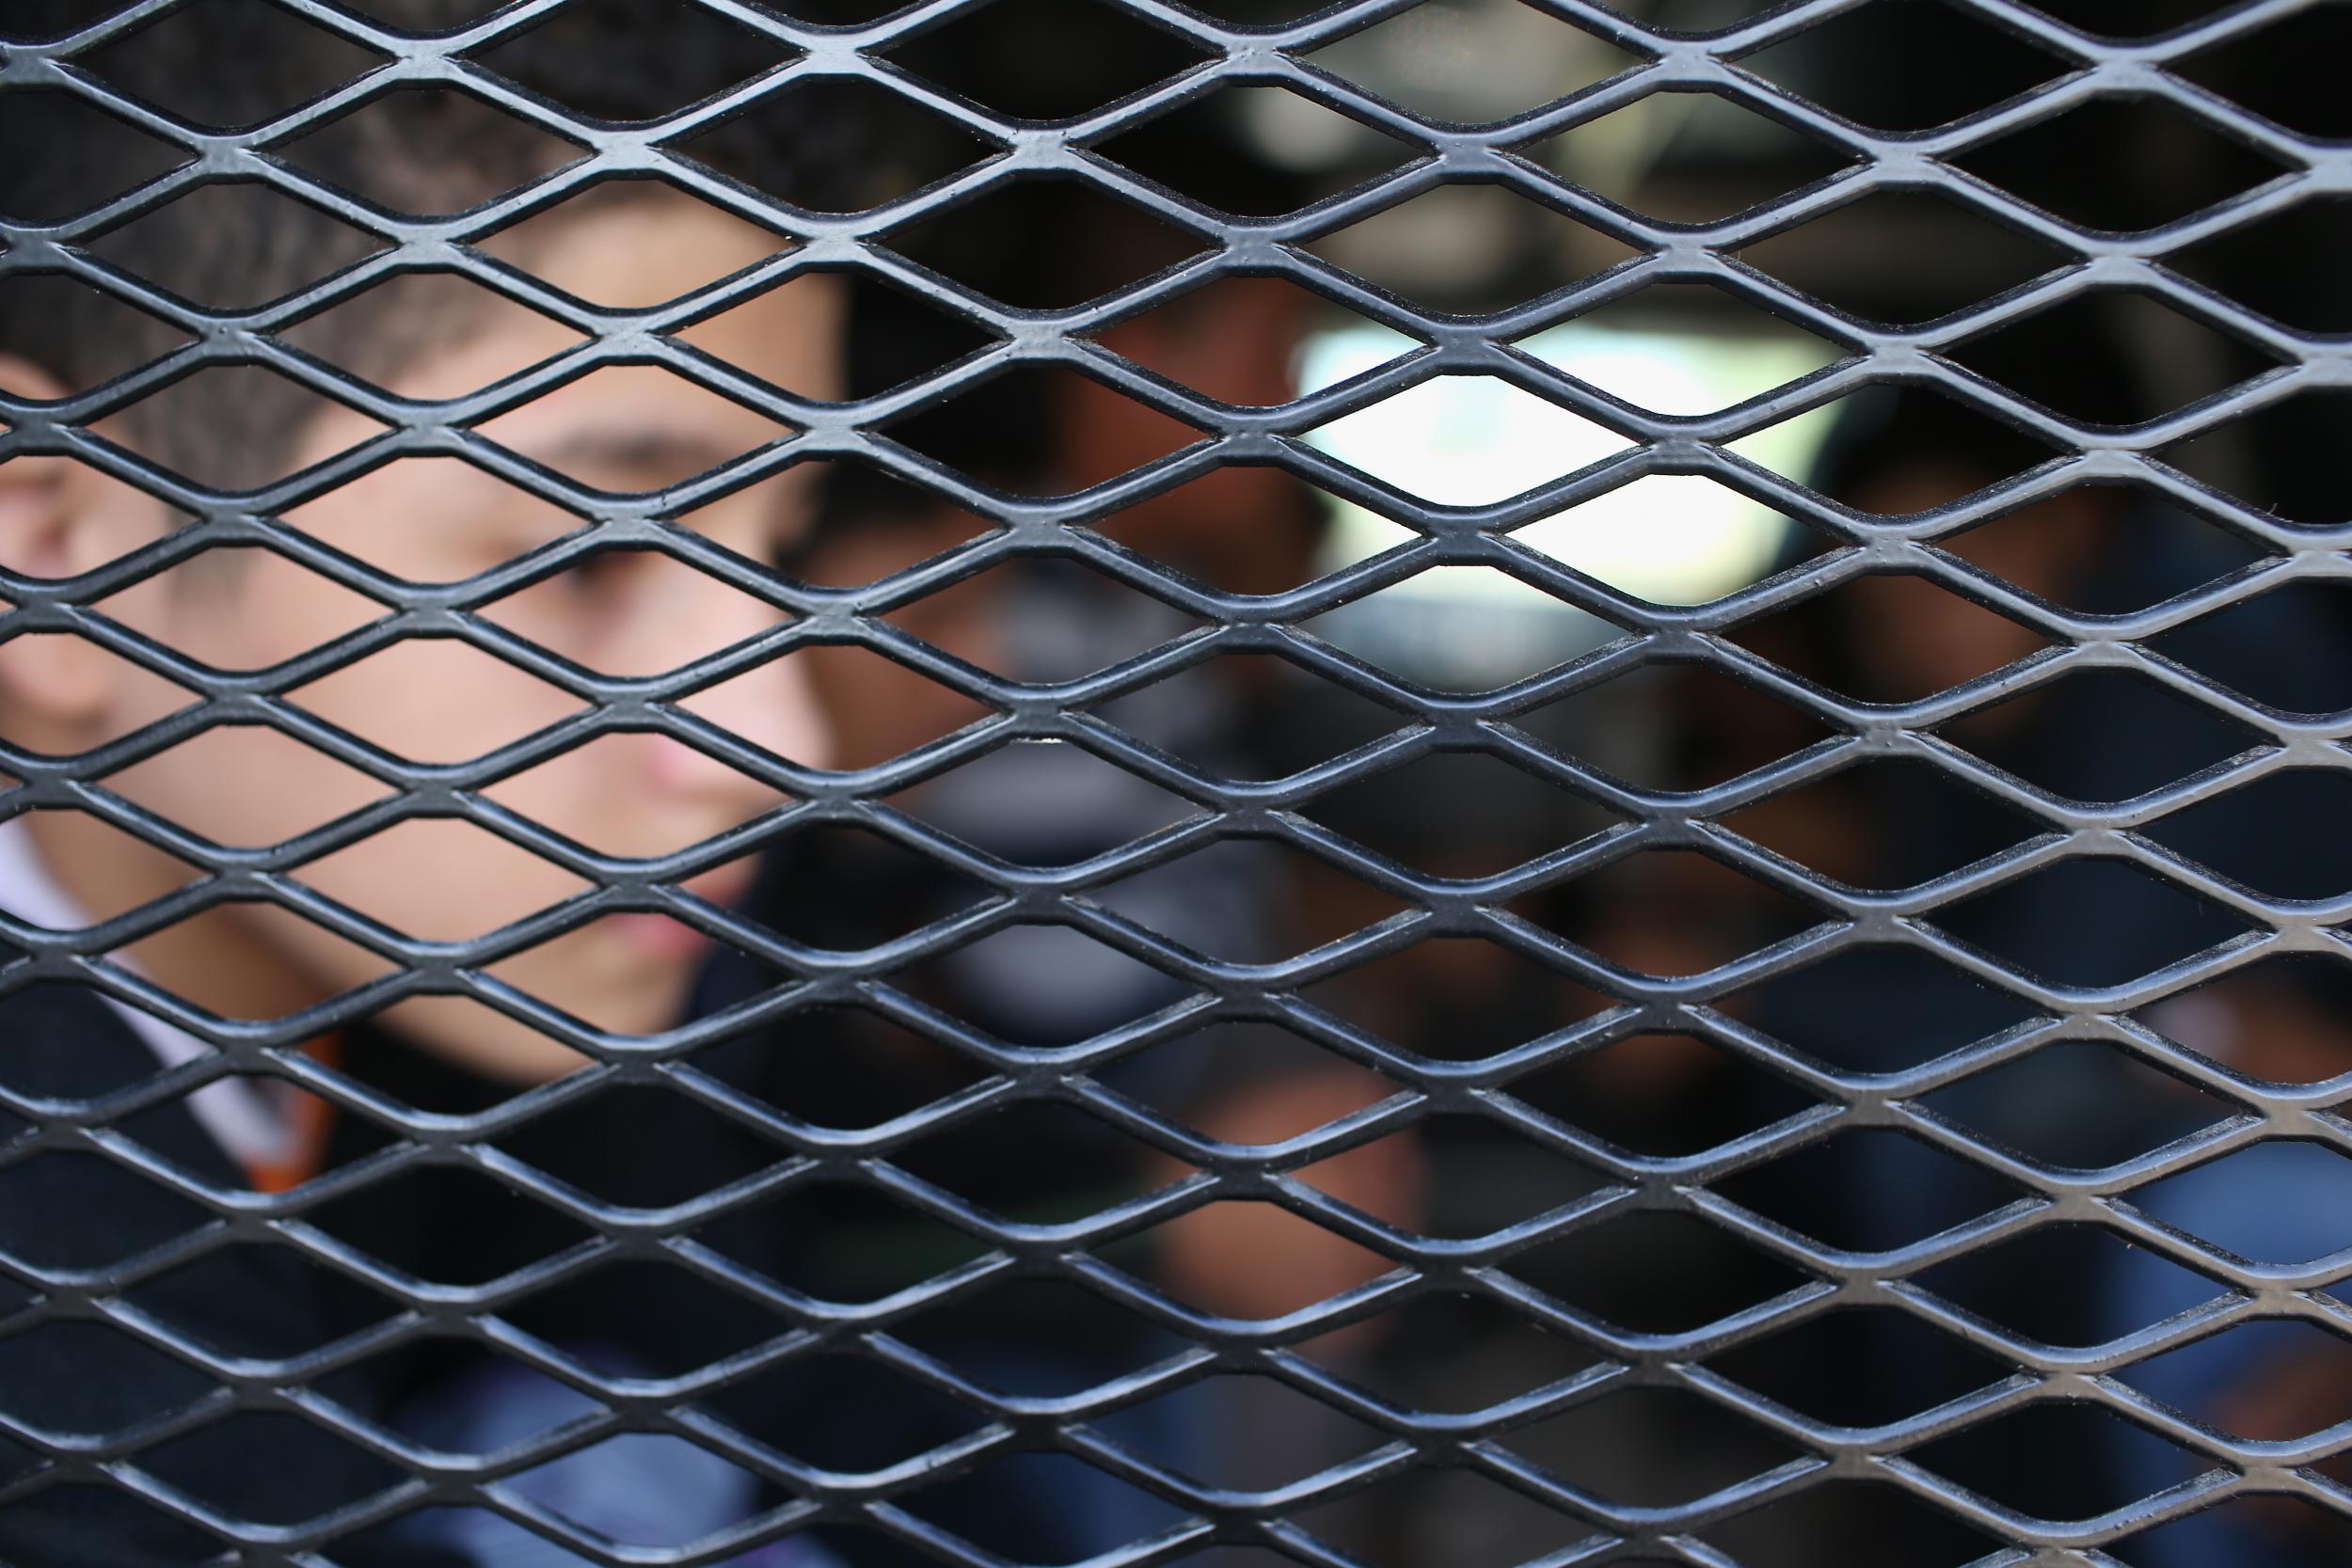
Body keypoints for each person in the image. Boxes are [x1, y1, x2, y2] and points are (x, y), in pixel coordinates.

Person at [0, 6, 863, 1562]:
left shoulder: (440, 1020)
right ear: (64, 558)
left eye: (779, 550)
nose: (780, 742)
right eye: (586, 554)